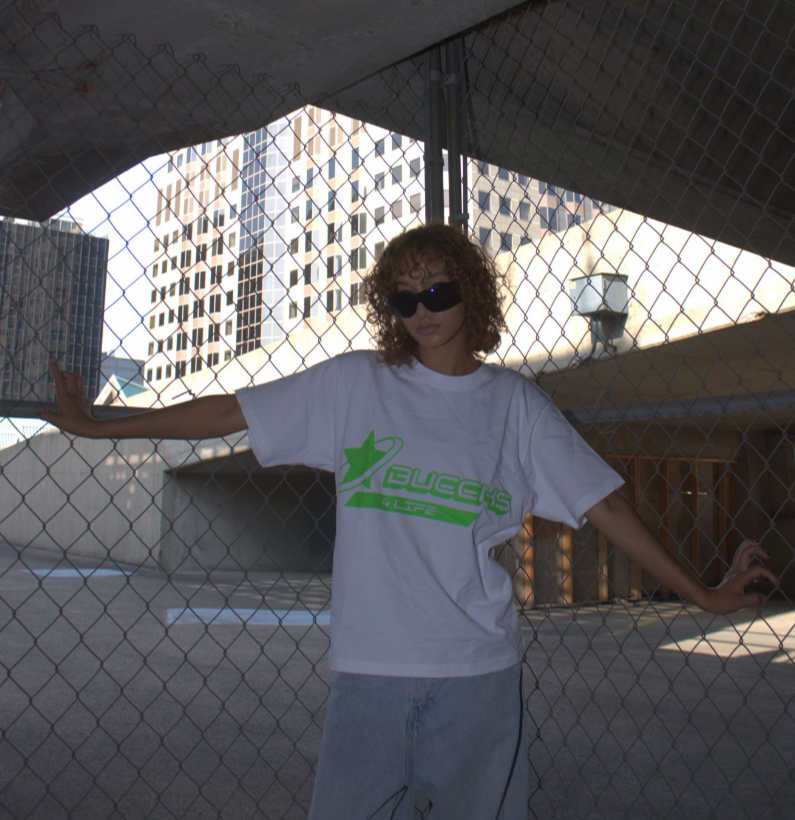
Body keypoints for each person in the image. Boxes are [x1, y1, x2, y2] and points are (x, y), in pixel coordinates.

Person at [41, 221, 776, 820]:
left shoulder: (513, 405)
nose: (422, 309)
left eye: (438, 290)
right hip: (370, 673)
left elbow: (603, 504)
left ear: (472, 294)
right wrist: (100, 424)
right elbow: (228, 413)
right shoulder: (356, 384)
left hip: (477, 673)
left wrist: (703, 594)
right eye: (402, 298)